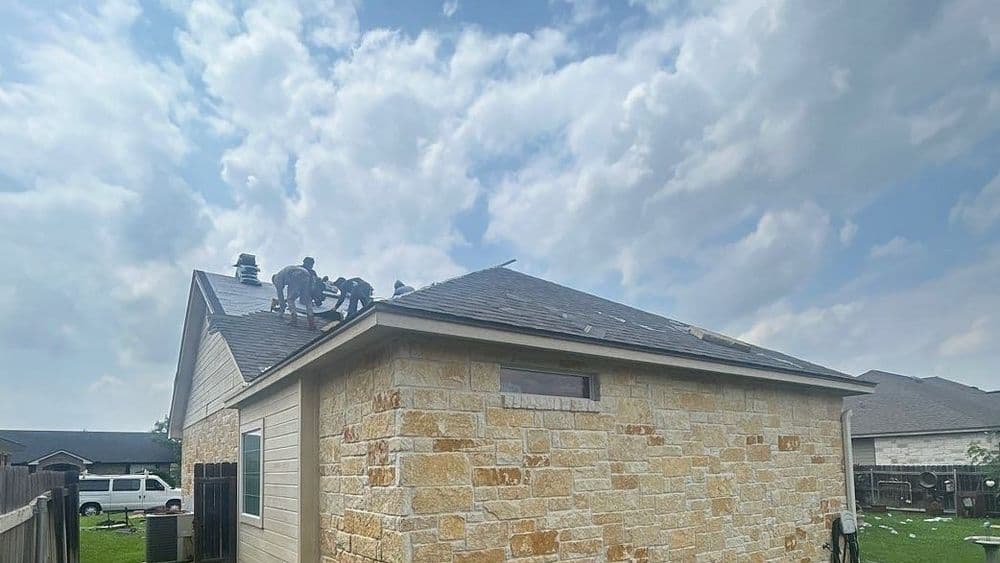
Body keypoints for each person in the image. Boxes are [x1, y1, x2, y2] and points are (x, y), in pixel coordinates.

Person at [272, 264, 316, 329]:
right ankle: (311, 323)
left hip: (295, 274)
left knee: (290, 299)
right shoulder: (283, 273)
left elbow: (280, 295)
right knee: (307, 299)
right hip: (306, 274)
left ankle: (294, 320)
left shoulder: (277, 278)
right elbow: (296, 293)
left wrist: (281, 310)